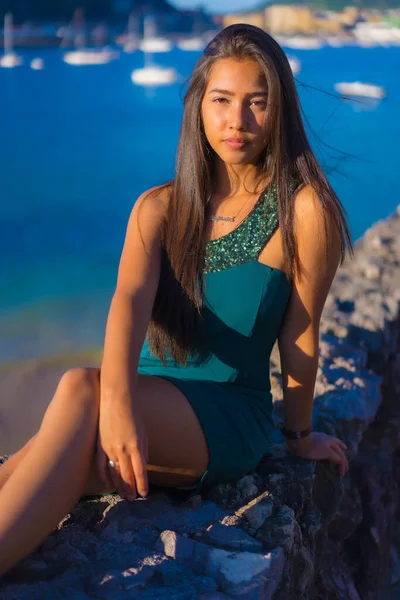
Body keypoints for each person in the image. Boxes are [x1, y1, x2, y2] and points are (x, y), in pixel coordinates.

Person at [0, 23, 351, 576]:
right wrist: (119, 408)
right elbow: (128, 302)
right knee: (39, 460)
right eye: (222, 101)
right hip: (143, 403)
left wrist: (300, 437)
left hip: (228, 413)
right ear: (198, 106)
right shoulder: (159, 208)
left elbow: (300, 333)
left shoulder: (304, 210)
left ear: (280, 108)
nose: (237, 121)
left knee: (76, 389)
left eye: (257, 103)